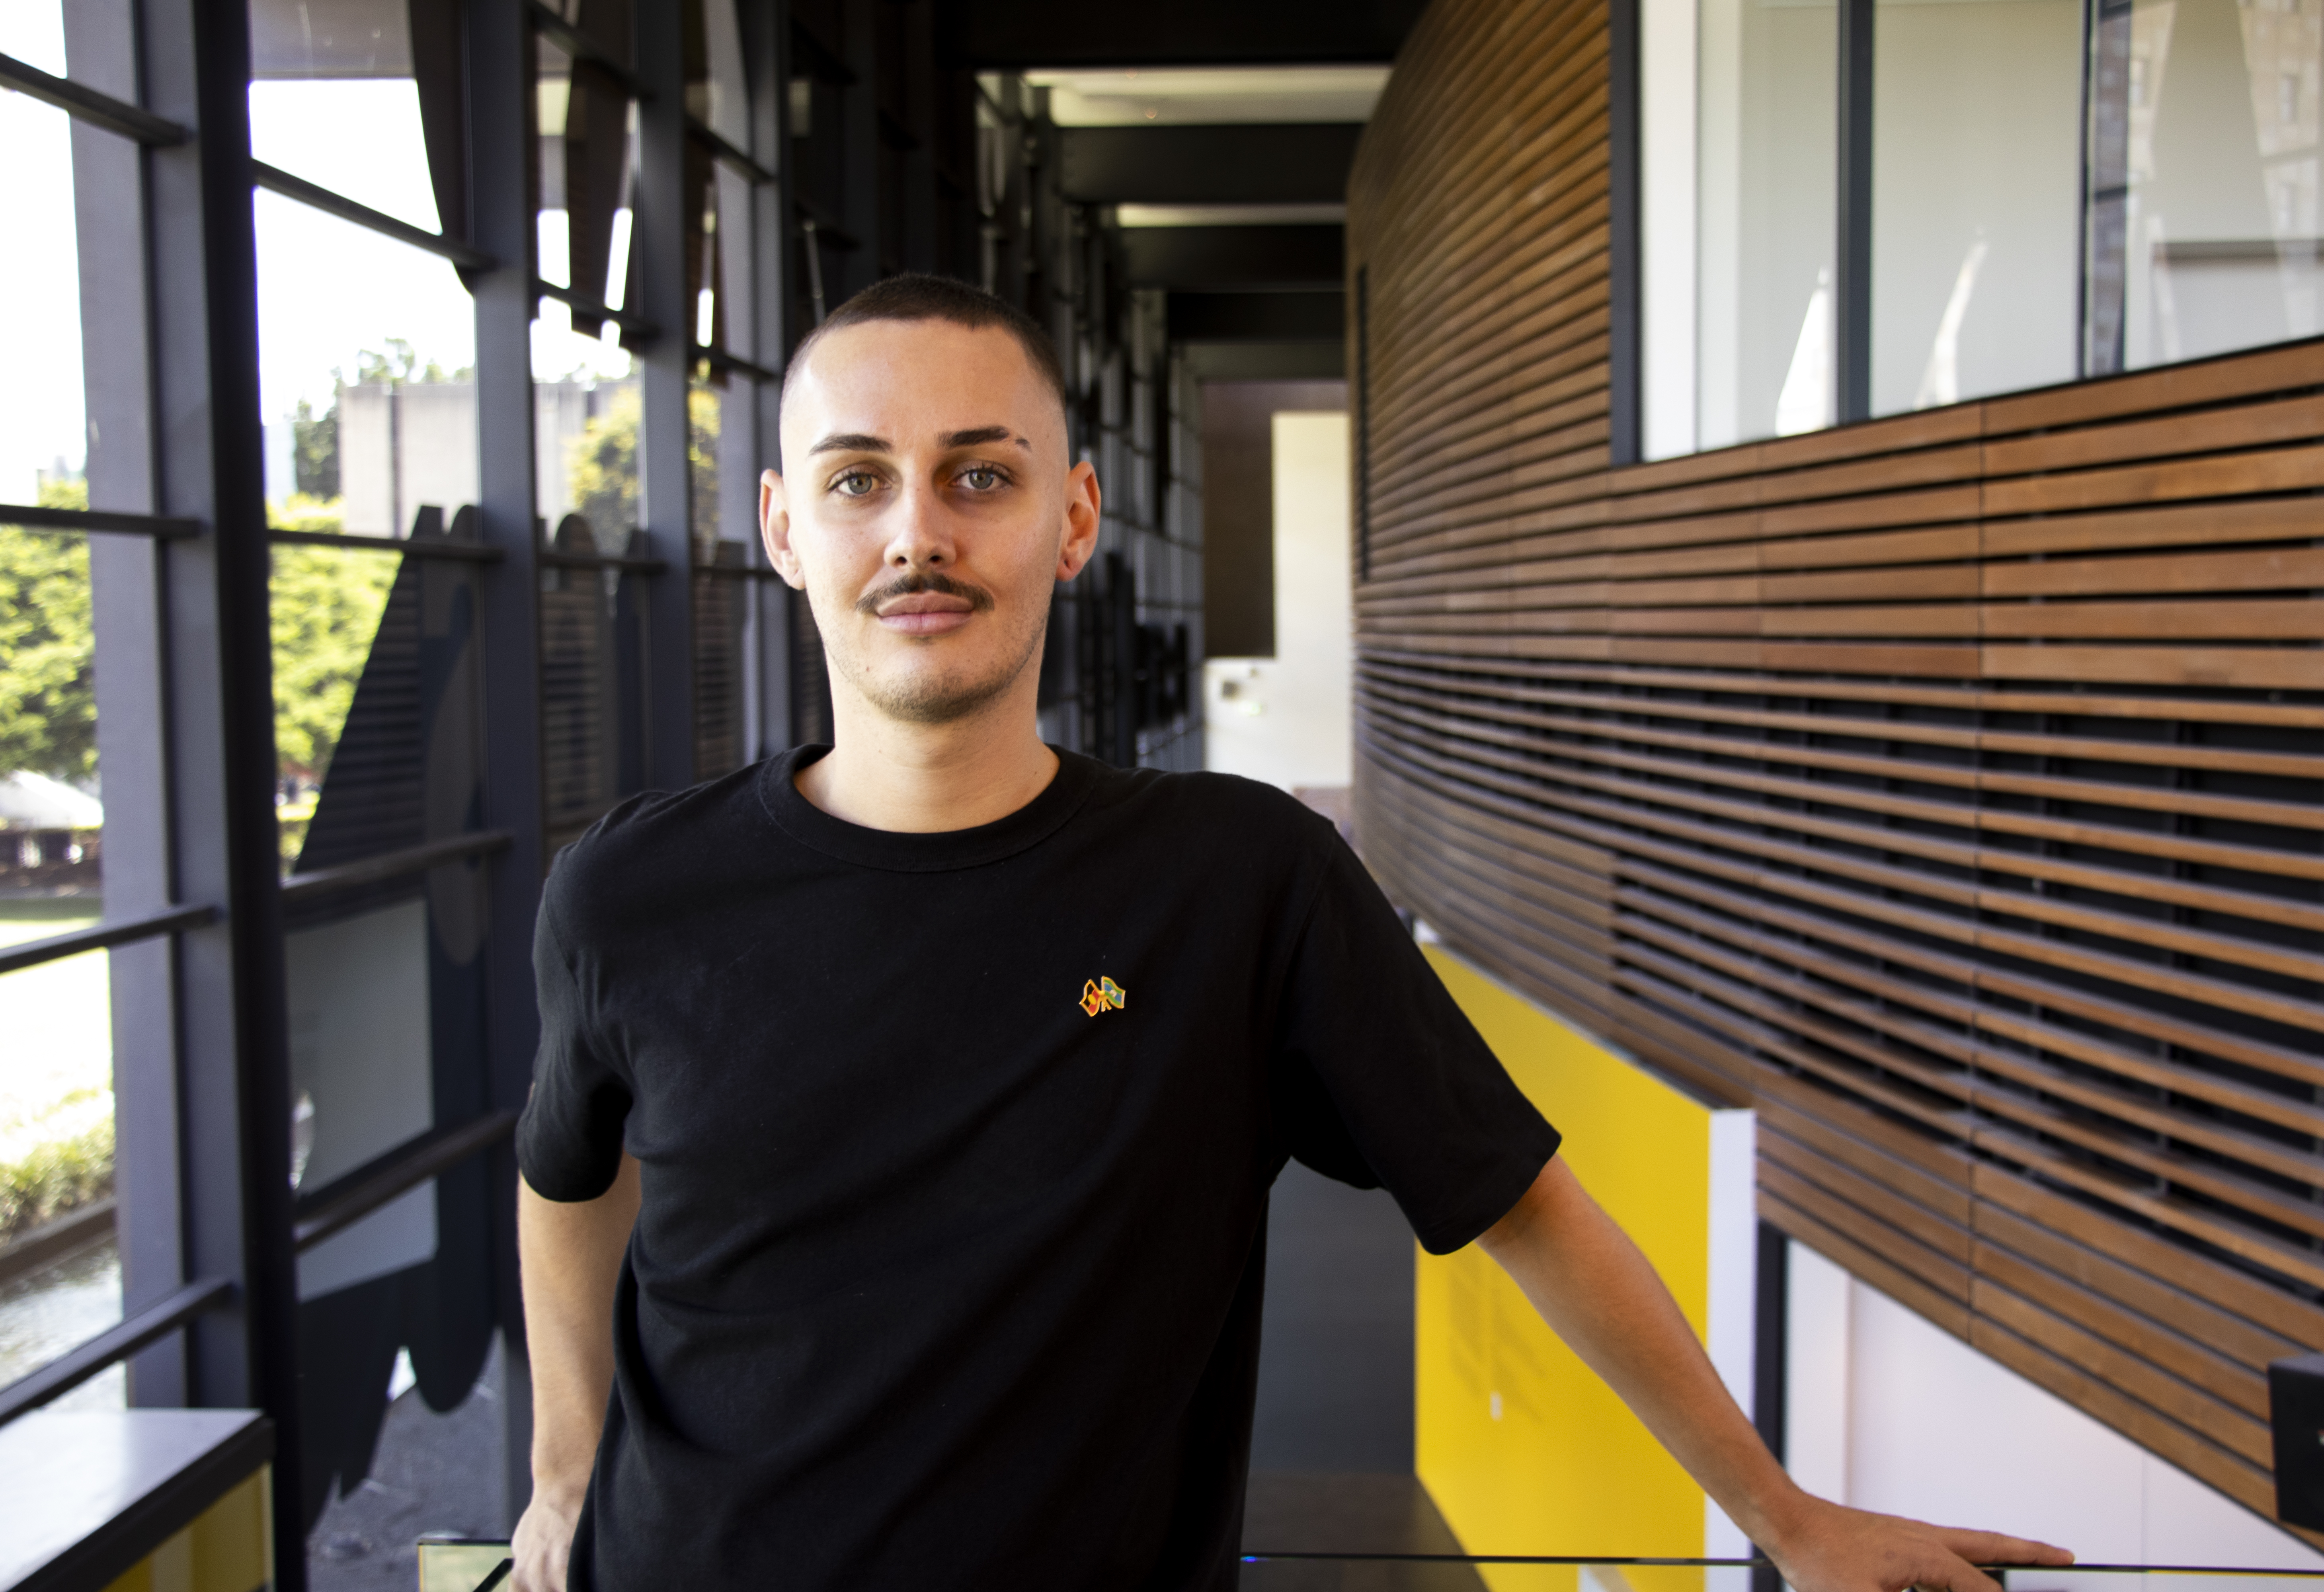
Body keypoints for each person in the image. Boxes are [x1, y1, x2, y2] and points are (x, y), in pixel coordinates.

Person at [507, 274, 2071, 1592]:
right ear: (786, 527)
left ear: (1073, 518)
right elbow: (567, 1177)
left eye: (980, 473)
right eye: (859, 479)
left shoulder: (1236, 882)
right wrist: (564, 1479)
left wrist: (1782, 1517)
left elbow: (1520, 1201)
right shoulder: (634, 894)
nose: (919, 529)